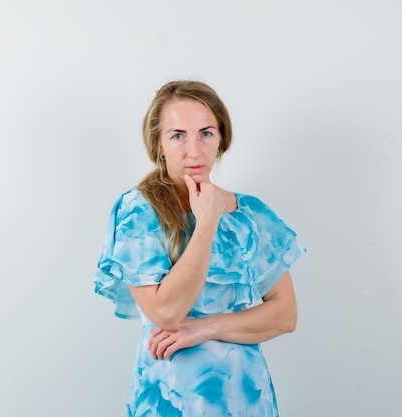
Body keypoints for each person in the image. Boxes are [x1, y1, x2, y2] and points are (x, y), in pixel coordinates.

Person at [94, 80, 306, 416]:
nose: (194, 150)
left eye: (206, 133)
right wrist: (206, 223)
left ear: (221, 139)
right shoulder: (139, 211)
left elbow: (286, 315)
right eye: (178, 135)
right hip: (170, 397)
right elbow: (165, 313)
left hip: (246, 396)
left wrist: (208, 327)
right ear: (159, 145)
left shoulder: (251, 213)